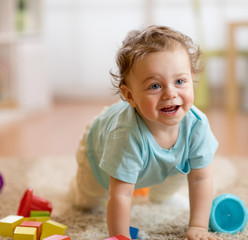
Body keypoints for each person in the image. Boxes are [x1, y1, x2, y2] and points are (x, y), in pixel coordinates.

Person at [71, 25, 220, 240]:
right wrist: (120, 237)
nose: (170, 93)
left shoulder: (196, 125)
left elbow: (200, 179)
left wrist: (198, 226)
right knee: (87, 201)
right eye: (155, 86)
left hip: (161, 163)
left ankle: (160, 195)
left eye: (180, 81)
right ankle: (76, 189)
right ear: (129, 96)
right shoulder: (125, 135)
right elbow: (121, 195)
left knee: (185, 167)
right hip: (99, 154)